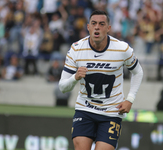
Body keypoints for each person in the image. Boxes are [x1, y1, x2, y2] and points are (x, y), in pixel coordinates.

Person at [58, 10, 143, 150]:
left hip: (111, 112)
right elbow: (62, 87)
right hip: (85, 110)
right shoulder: (76, 49)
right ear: (88, 27)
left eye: (102, 24)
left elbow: (138, 71)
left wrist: (130, 99)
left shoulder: (122, 49)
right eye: (94, 23)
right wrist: (75, 77)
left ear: (108, 28)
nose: (97, 27)